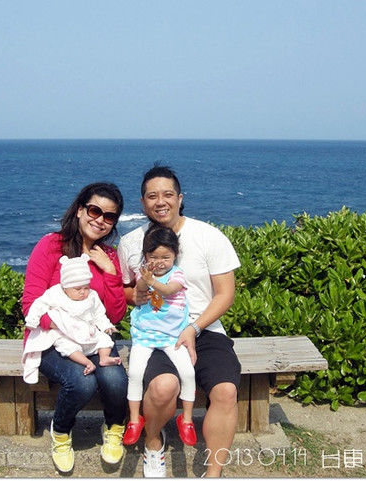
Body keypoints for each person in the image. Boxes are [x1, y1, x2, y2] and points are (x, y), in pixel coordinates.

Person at [118, 164, 241, 478]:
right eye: (152, 196)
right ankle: (153, 441)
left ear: (180, 198)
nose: (161, 201)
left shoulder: (207, 236)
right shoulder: (130, 243)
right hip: (157, 332)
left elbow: (225, 294)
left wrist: (194, 328)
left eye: (168, 194)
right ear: (143, 202)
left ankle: (213, 473)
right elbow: (125, 290)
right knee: (163, 387)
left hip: (204, 328)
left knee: (226, 391)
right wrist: (138, 294)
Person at [22, 182, 128, 474]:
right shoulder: (51, 246)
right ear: (80, 210)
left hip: (93, 338)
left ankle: (114, 429)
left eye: (109, 216)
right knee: (82, 382)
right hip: (52, 339)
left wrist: (110, 272)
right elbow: (30, 304)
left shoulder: (107, 255)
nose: (100, 220)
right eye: (95, 211)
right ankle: (61, 431)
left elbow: (115, 314)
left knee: (115, 380)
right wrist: (64, 328)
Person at [123, 224, 197, 448]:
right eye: (153, 257)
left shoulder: (177, 274)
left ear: (175, 255)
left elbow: (168, 290)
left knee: (187, 373)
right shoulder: (145, 273)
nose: (160, 262)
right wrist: (145, 277)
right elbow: (140, 288)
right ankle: (134, 420)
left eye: (166, 257)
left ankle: (187, 419)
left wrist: (152, 281)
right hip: (144, 335)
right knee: (135, 373)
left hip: (172, 336)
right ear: (145, 256)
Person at [22, 254, 122, 380]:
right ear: (65, 287)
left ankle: (104, 357)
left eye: (86, 287)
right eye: (77, 289)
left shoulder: (92, 296)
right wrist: (32, 321)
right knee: (66, 346)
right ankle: (86, 362)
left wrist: (106, 326)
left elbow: (99, 313)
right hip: (67, 334)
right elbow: (38, 305)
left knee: (105, 339)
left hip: (89, 332)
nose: (83, 292)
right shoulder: (55, 294)